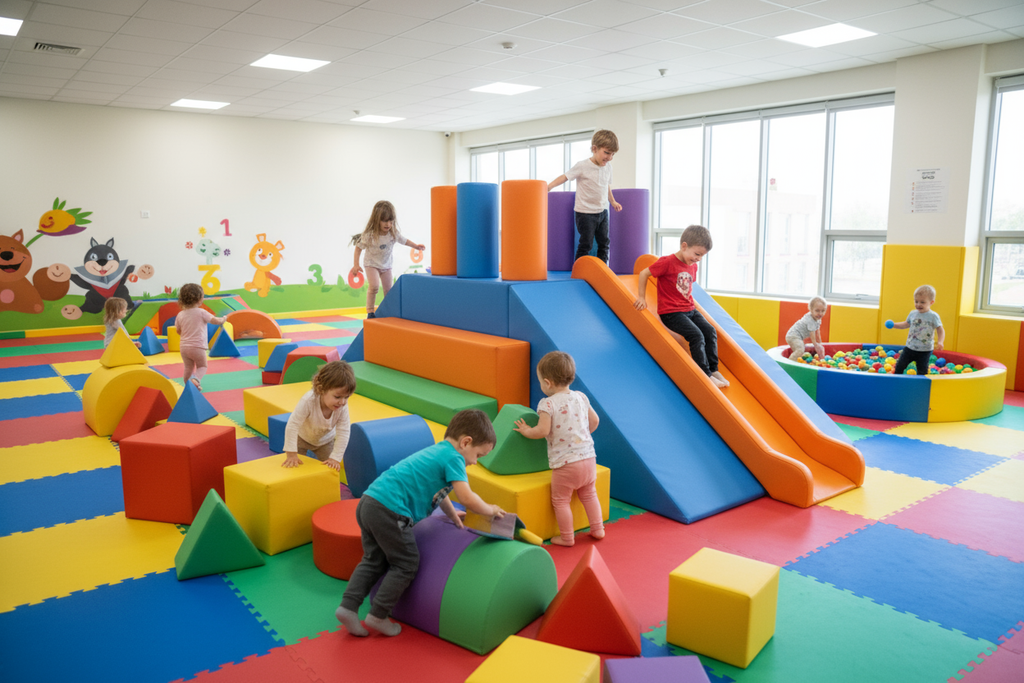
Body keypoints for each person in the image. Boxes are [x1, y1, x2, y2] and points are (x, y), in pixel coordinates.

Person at [335, 409, 505, 638]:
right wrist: (489, 509)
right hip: (391, 511)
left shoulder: (438, 451)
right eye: (478, 455)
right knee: (406, 563)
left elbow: (439, 493)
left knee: (373, 560)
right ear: (466, 442)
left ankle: (347, 607)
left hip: (369, 502)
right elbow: (467, 497)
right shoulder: (455, 457)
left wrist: (453, 514)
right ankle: (378, 615)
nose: (475, 462)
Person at [513, 351, 605, 547]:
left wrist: (526, 430)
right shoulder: (580, 396)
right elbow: (595, 421)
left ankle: (566, 537)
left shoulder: (547, 403)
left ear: (547, 383)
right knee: (589, 494)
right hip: (589, 458)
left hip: (566, 464)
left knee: (560, 501)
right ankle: (598, 529)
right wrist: (582, 435)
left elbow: (542, 430)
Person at [633, 225, 729, 389]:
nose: (698, 258)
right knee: (696, 336)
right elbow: (644, 273)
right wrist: (641, 297)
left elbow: (687, 287)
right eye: (697, 254)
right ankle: (705, 374)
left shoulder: (693, 264)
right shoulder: (667, 262)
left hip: (690, 309)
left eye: (702, 256)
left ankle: (713, 369)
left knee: (710, 331)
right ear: (684, 246)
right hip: (671, 313)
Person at [548, 129, 623, 263]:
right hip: (585, 213)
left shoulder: (608, 167)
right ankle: (579, 271)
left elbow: (606, 186)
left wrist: (613, 202)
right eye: (606, 153)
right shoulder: (582, 166)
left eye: (612, 154)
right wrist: (549, 187)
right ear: (594, 149)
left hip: (602, 211)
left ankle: (602, 270)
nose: (609, 157)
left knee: (604, 243)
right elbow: (565, 177)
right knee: (586, 244)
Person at [349, 200, 425, 319]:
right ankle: (370, 311)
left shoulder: (393, 233)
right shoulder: (370, 235)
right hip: (371, 264)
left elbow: (404, 240)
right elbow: (358, 248)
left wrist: (416, 246)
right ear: (376, 220)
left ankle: (388, 311)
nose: (388, 224)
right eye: (384, 220)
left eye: (390, 221)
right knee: (374, 286)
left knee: (388, 291)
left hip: (386, 266)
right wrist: (355, 265)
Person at [281, 361, 356, 472]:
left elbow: (344, 431)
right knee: (295, 467)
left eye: (347, 397)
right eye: (337, 397)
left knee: (331, 469)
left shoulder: (342, 406)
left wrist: (335, 458)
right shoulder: (308, 401)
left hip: (325, 442)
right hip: (302, 438)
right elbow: (293, 425)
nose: (342, 402)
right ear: (321, 389)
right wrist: (291, 453)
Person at [175, 283, 224, 391]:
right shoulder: (201, 312)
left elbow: (178, 331)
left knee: (188, 367)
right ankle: (196, 380)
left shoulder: (180, 315)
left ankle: (189, 387)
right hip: (198, 346)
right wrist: (223, 319)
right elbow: (215, 321)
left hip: (184, 347)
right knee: (202, 366)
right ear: (200, 299)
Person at [889, 285, 944, 376]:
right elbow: (906, 324)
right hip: (910, 347)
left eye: (922, 302)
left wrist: (940, 341)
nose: (918, 304)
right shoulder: (913, 313)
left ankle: (921, 386)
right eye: (916, 301)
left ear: (931, 302)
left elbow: (940, 329)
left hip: (925, 350)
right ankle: (896, 381)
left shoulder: (933, 316)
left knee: (922, 370)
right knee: (900, 365)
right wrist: (894, 325)